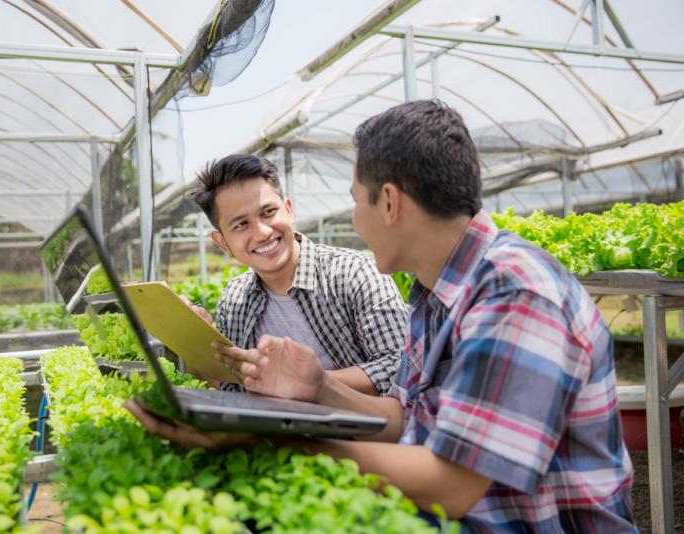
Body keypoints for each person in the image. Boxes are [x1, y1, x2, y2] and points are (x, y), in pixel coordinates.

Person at [126, 100, 636, 532]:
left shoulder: (516, 292)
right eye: (241, 224)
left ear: (389, 202)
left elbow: (451, 484)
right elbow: (406, 418)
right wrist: (319, 389)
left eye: (355, 202)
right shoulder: (434, 294)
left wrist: (270, 442)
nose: (353, 221)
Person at [182, 154, 408, 396]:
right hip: (274, 434)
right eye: (241, 225)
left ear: (288, 210)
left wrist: (305, 382)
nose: (262, 232)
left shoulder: (354, 272)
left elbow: (399, 365)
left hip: (360, 432)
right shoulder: (235, 299)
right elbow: (232, 389)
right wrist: (197, 346)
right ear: (223, 242)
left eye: (268, 212)